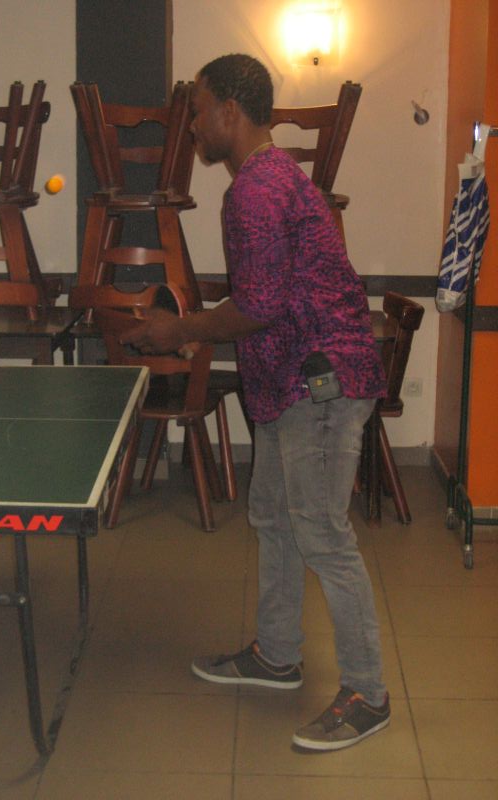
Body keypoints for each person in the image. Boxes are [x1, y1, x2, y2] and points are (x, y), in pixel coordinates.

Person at [121, 53, 390, 751]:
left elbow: (261, 305)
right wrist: (196, 326)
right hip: (285, 382)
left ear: (229, 112)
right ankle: (276, 654)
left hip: (319, 383)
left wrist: (178, 330)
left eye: (198, 111)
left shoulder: (256, 191)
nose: (193, 126)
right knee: (273, 516)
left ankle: (368, 693)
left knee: (321, 532)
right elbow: (268, 300)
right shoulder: (269, 180)